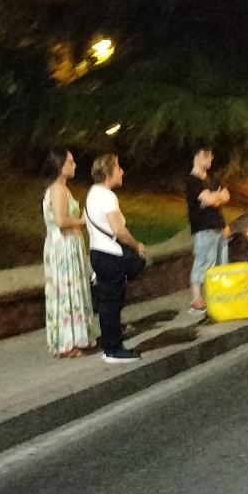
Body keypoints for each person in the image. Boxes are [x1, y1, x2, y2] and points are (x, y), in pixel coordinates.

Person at [86, 154, 148, 364]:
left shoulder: (92, 194)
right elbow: (118, 230)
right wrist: (136, 244)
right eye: (118, 168)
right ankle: (113, 349)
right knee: (112, 302)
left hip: (97, 252)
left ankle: (110, 345)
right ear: (108, 173)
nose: (122, 172)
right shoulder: (107, 196)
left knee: (107, 301)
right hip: (110, 254)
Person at [41, 149, 97, 357]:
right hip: (63, 247)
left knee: (72, 291)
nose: (74, 165)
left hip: (68, 245)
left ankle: (75, 337)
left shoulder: (63, 189)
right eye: (70, 162)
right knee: (66, 292)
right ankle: (67, 342)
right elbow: (61, 220)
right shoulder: (57, 189)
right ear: (59, 166)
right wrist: (82, 221)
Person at [185, 146, 231, 313]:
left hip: (218, 226)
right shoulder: (193, 181)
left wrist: (214, 198)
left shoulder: (212, 179)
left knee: (220, 263)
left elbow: (225, 196)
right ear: (198, 157)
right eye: (207, 157)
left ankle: (217, 295)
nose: (210, 161)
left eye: (211, 157)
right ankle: (197, 298)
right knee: (204, 261)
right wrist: (215, 198)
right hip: (203, 228)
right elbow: (210, 199)